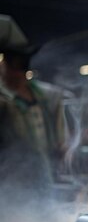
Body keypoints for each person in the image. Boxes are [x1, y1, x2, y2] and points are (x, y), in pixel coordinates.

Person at [0, 47, 67, 196]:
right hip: (9, 171)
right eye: (12, 68)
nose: (16, 74)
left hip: (41, 167)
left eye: (20, 69)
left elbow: (59, 136)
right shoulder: (4, 99)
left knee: (43, 204)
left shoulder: (44, 95)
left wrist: (61, 145)